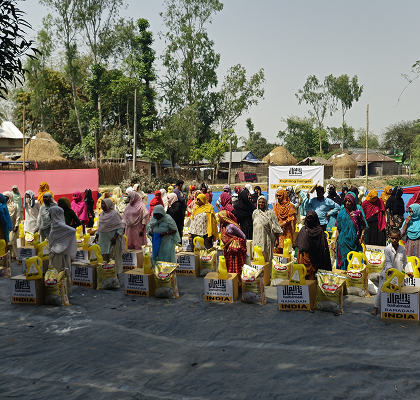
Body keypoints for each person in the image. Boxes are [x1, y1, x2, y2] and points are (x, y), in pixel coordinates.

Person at [371, 228, 412, 316]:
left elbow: (405, 262)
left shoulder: (402, 249)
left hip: (398, 275)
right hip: (388, 274)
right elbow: (388, 262)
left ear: (400, 238)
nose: (394, 240)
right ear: (389, 237)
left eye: (396, 238)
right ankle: (375, 307)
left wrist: (408, 271)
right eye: (392, 238)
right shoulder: (387, 249)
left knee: (397, 292)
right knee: (381, 290)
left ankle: (394, 308)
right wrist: (389, 270)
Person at [332, 193, 366, 270]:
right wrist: (334, 242)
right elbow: (338, 229)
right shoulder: (341, 214)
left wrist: (361, 237)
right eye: (346, 201)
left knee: (354, 262)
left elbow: (364, 226)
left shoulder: (358, 213)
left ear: (353, 202)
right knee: (344, 262)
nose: (347, 203)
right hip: (343, 242)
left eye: (349, 201)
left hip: (354, 242)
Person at [293, 210, 331, 279]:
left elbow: (323, 247)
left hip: (316, 260)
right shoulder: (303, 230)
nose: (310, 220)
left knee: (312, 279)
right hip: (304, 258)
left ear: (315, 219)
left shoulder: (319, 231)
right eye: (308, 218)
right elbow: (298, 245)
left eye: (311, 218)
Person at [48, 206, 77, 293]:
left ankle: (61, 290)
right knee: (60, 271)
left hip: (59, 252)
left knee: (58, 271)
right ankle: (60, 290)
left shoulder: (59, 225)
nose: (49, 216)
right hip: (57, 251)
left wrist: (63, 245)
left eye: (50, 214)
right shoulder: (54, 224)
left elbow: (72, 231)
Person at [96, 198, 124, 273]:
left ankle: (117, 273)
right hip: (103, 240)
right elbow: (100, 226)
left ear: (108, 204)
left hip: (112, 240)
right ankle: (106, 274)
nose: (102, 205)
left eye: (104, 203)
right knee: (104, 258)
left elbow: (121, 226)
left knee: (114, 258)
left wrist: (115, 237)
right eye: (101, 204)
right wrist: (97, 235)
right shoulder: (102, 214)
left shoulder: (114, 214)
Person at [252, 196, 283, 265]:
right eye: (259, 202)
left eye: (263, 202)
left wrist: (277, 239)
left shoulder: (270, 213)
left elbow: (276, 226)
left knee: (266, 259)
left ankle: (267, 271)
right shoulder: (255, 213)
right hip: (257, 239)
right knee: (257, 259)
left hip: (266, 239)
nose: (261, 204)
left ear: (265, 203)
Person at [218, 210, 247, 276]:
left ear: (224, 218)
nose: (218, 219)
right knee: (229, 264)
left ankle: (237, 279)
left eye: (219, 218)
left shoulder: (231, 226)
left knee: (236, 266)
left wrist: (244, 247)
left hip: (236, 250)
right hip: (229, 250)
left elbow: (243, 236)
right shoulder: (223, 226)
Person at [3, 191, 20, 259]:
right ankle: (7, 257)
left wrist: (16, 225)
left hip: (12, 226)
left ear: (10, 197)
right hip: (4, 227)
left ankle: (14, 256)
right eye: (4, 196)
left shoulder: (15, 206)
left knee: (12, 241)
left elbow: (18, 216)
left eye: (6, 196)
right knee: (5, 242)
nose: (5, 198)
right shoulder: (3, 206)